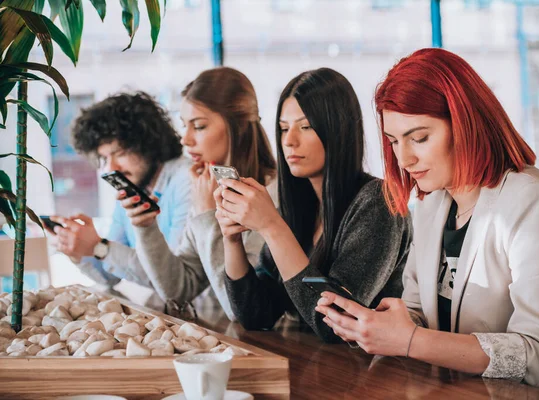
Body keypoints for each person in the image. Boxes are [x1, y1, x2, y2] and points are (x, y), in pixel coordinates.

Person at [315, 48, 539, 398]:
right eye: (393, 141)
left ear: (466, 123)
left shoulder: (536, 202)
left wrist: (410, 340)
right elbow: (421, 312)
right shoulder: (433, 204)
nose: (404, 159)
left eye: (419, 138)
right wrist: (383, 326)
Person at [214, 68, 413, 342]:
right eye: (283, 129)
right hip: (315, 369)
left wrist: (272, 228)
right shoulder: (299, 205)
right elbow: (254, 315)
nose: (288, 141)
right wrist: (231, 238)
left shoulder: (379, 202)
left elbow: (335, 323)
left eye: (305, 126)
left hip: (374, 374)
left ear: (338, 130)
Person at [120, 67, 277, 320]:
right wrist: (147, 228)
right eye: (185, 126)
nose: (186, 139)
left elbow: (240, 307)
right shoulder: (210, 187)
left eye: (199, 126)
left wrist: (207, 215)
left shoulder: (273, 194)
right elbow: (179, 289)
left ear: (237, 126)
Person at [49, 92, 191, 304]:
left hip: (208, 321)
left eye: (121, 153)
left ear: (149, 143)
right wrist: (80, 250)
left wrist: (101, 248)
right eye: (105, 157)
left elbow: (172, 281)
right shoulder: (132, 188)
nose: (111, 168)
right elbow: (111, 277)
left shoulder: (187, 180)